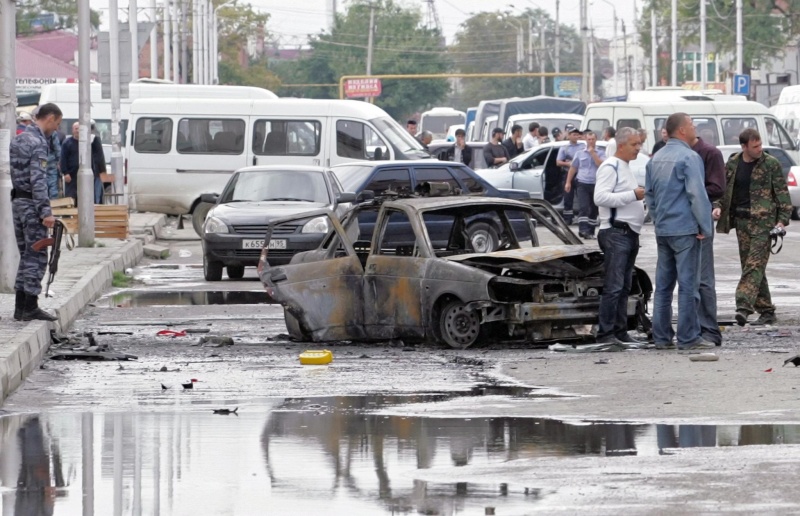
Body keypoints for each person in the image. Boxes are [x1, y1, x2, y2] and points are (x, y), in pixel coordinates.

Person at [644, 112, 714, 350]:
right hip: (685, 230)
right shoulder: (689, 157)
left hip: (663, 230)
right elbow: (697, 195)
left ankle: (662, 338)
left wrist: (658, 220)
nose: (695, 128)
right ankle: (688, 338)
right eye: (692, 124)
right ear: (682, 130)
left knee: (663, 287)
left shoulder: (655, 159)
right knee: (688, 286)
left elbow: (650, 197)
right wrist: (706, 226)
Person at [717, 128, 792, 326]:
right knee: (752, 267)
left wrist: (782, 220)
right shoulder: (733, 164)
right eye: (755, 146)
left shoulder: (770, 164)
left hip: (764, 223)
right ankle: (767, 310)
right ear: (744, 147)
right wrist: (717, 207)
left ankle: (743, 307)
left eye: (760, 145)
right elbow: (724, 191)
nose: (759, 149)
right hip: (742, 223)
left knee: (754, 265)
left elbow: (782, 194)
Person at [10, 102, 62, 322]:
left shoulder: (19, 138)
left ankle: (20, 307)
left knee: (25, 256)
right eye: (57, 124)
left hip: (18, 203)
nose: (56, 129)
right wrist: (45, 211)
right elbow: (38, 179)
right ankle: (30, 306)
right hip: (32, 205)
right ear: (49, 118)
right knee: (37, 256)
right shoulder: (38, 143)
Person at [593, 127, 646, 345]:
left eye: (639, 144)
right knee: (614, 287)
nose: (638, 148)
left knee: (624, 286)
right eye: (634, 144)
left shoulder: (625, 167)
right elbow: (600, 197)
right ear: (621, 145)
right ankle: (606, 334)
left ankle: (620, 331)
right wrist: (632, 195)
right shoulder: (610, 166)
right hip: (615, 232)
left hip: (629, 233)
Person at [691, 129, 726, 344]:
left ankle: (709, 330)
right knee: (686, 281)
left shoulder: (709, 153)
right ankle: (691, 328)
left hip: (701, 224)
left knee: (703, 279)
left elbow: (718, 188)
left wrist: (692, 190)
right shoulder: (672, 152)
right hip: (678, 226)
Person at [565, 130, 605, 239]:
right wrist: (568, 182)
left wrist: (593, 153)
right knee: (584, 206)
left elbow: (600, 165)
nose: (591, 141)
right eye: (589, 139)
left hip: (596, 184)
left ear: (596, 140)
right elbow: (573, 168)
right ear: (585, 140)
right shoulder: (579, 153)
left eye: (593, 139)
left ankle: (590, 231)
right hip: (582, 182)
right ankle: (582, 230)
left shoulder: (601, 152)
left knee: (594, 208)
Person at [60, 121, 106, 205]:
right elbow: (63, 159)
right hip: (71, 176)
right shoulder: (67, 143)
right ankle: (69, 216)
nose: (78, 131)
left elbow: (98, 157)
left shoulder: (88, 143)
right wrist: (65, 173)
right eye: (76, 129)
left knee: (86, 197)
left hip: (86, 176)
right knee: (71, 197)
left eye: (79, 129)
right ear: (72, 130)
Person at [556, 128, 584, 224]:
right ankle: (568, 219)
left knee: (582, 197)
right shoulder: (564, 148)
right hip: (568, 174)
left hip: (580, 174)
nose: (576, 136)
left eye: (577, 134)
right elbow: (558, 162)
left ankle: (582, 219)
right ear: (569, 136)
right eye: (573, 134)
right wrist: (568, 164)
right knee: (568, 197)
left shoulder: (583, 146)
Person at [45, 130, 62, 200]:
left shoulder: (35, 131)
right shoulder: (52, 133)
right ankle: (54, 205)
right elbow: (57, 148)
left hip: (38, 161)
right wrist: (59, 161)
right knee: (53, 185)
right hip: (51, 161)